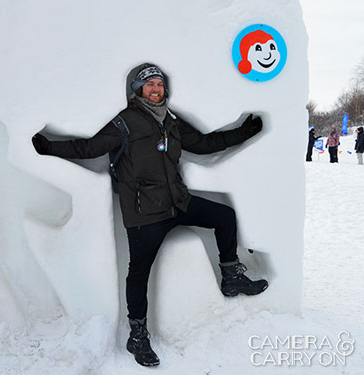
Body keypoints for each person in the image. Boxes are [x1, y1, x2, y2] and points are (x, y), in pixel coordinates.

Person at [31, 63, 268, 367]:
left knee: (224, 216)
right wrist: (48, 147)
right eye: (150, 85)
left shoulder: (170, 119)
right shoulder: (125, 123)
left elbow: (205, 144)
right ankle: (137, 334)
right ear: (137, 90)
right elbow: (90, 148)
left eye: (159, 84)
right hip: (145, 214)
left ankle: (231, 277)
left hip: (177, 203)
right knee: (139, 273)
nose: (156, 89)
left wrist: (242, 134)